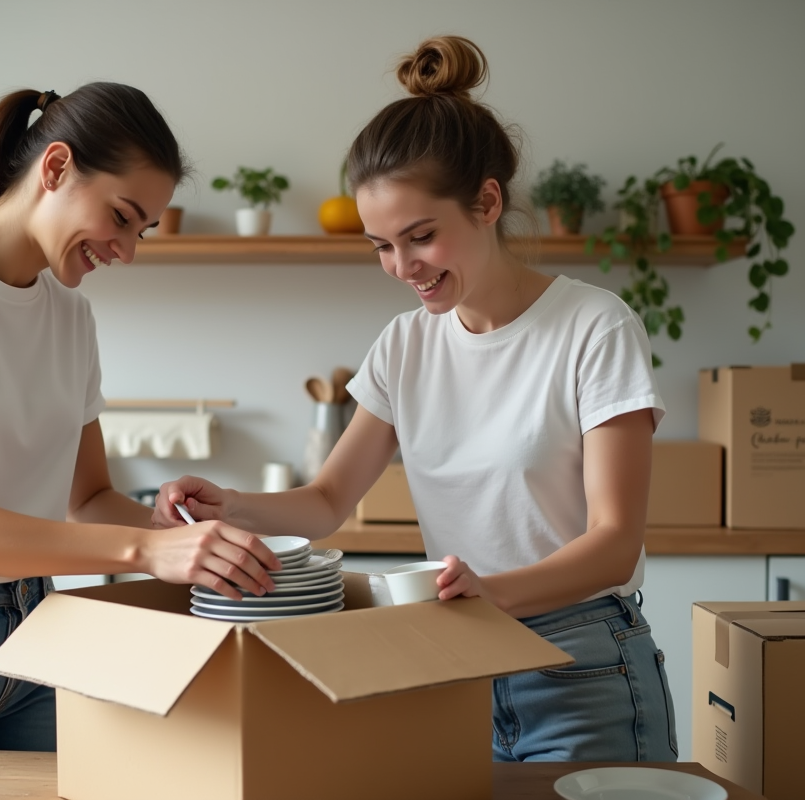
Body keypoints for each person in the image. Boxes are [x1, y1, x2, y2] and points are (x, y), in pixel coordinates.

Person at [153, 36, 678, 763]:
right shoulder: (406, 345)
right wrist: (229, 505)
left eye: (420, 237)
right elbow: (328, 500)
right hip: (456, 661)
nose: (402, 267)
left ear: (488, 202)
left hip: (581, 662)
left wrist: (491, 592)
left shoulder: (593, 325)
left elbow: (614, 543)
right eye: (380, 245)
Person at [0, 83, 280, 751]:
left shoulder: (70, 313)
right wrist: (150, 551)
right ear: (56, 167)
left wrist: (167, 526)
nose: (127, 249)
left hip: (35, 625)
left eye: (142, 229)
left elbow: (87, 499)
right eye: (121, 217)